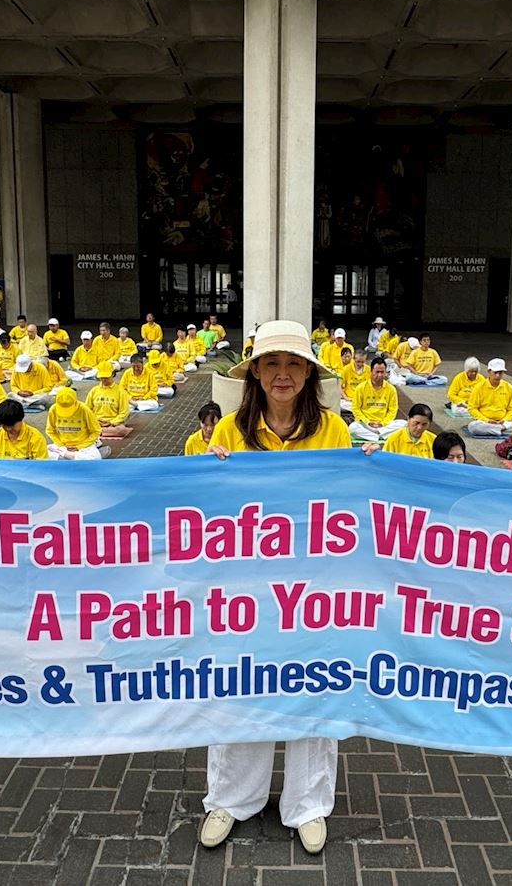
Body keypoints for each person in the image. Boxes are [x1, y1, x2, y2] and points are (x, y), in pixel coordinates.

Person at [200, 319, 350, 855]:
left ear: (308, 373)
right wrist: (209, 474)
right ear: (256, 373)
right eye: (272, 364)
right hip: (246, 588)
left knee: (313, 683)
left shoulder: (334, 430)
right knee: (240, 684)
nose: (282, 374)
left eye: (293, 364)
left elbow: (345, 506)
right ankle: (231, 798)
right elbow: (204, 513)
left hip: (313, 589)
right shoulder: (227, 432)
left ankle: (308, 805)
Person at [347, 357, 404, 442]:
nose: (380, 375)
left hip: (384, 425)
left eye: (382, 372)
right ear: (371, 372)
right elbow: (355, 409)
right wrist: (368, 422)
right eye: (377, 372)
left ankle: (374, 436)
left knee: (404, 424)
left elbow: (393, 410)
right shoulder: (361, 388)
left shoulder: (391, 389)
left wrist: (383, 423)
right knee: (352, 428)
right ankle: (380, 437)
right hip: (366, 424)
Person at [45, 388, 105, 460]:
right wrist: (61, 445)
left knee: (95, 458)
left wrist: (79, 446)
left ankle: (66, 457)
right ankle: (72, 457)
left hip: (83, 445)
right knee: (41, 453)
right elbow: (50, 431)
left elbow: (96, 431)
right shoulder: (53, 409)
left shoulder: (84, 409)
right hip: (63, 446)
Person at [466, 359, 512, 436]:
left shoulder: (508, 387)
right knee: (472, 426)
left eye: (500, 373)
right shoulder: (479, 387)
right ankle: (500, 430)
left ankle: (497, 429)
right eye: (495, 373)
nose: (498, 376)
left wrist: (504, 419)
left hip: (503, 422)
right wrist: (487, 420)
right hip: (484, 422)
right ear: (489, 372)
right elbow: (472, 408)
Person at [84, 362, 133, 438]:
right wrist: (95, 420)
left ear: (113, 374)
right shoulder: (94, 390)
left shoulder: (120, 391)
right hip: (96, 422)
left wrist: (112, 422)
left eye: (106, 377)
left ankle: (96, 432)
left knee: (121, 430)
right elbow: (87, 409)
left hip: (113, 423)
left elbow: (124, 412)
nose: (104, 380)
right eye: (102, 378)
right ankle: (100, 431)